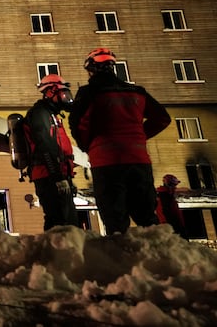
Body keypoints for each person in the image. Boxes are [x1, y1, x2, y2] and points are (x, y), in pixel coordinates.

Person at [69, 48, 171, 235]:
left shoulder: (89, 93)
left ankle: (121, 261)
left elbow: (78, 125)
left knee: (115, 220)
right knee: (147, 217)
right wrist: (139, 136)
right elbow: (163, 118)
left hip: (107, 162)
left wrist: (89, 146)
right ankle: (160, 260)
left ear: (91, 69)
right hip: (139, 160)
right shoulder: (137, 92)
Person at [23, 73, 79, 230]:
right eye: (63, 93)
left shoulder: (51, 115)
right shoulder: (40, 114)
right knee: (59, 221)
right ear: (50, 92)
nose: (67, 98)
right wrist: (58, 177)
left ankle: (58, 252)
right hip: (49, 175)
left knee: (66, 220)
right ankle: (55, 253)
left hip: (56, 175)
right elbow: (45, 144)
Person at [156, 174, 188, 238]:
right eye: (174, 185)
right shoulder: (164, 196)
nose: (175, 187)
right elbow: (167, 212)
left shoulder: (166, 195)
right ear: (169, 185)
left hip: (170, 227)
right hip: (171, 228)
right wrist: (177, 227)